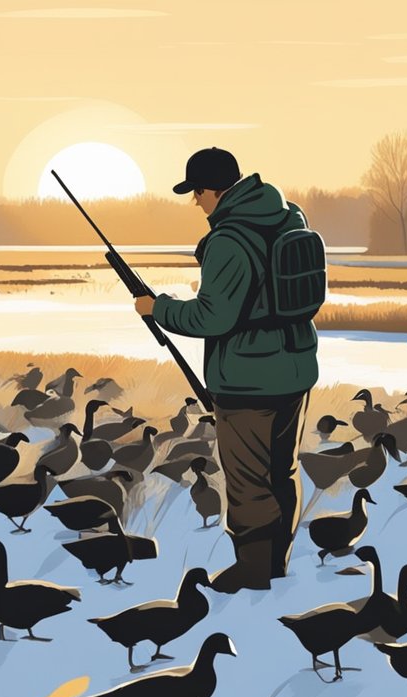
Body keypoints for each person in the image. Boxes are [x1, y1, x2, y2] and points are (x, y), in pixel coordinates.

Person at [134, 147, 319, 593]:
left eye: (196, 194)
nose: (195, 203)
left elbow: (212, 318)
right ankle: (276, 562)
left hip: (247, 379)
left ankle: (254, 570)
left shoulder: (229, 241)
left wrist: (157, 308)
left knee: (247, 478)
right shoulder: (286, 216)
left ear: (212, 191)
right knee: (282, 471)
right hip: (295, 368)